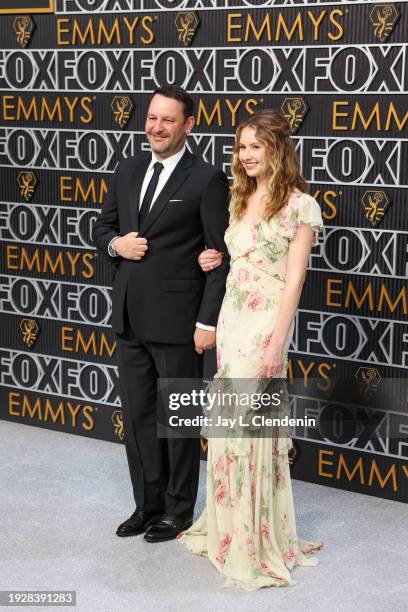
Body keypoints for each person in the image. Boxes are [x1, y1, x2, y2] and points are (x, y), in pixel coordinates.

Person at [178, 109, 324, 589]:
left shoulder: (301, 206)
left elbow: (295, 282)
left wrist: (276, 343)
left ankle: (256, 539)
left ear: (277, 149)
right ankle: (228, 533)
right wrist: (210, 256)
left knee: (250, 431)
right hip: (233, 318)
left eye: (255, 147)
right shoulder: (241, 197)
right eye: (241, 147)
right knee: (226, 429)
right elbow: (236, 258)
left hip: (265, 326)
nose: (245, 156)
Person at [92, 86, 229, 542]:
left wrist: (206, 322)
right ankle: (146, 505)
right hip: (129, 317)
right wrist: (117, 246)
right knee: (139, 420)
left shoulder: (206, 179)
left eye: (167, 120)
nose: (156, 127)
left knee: (178, 423)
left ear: (188, 125)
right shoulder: (128, 168)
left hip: (179, 323)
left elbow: (219, 255)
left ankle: (177, 511)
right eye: (152, 118)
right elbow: (102, 227)